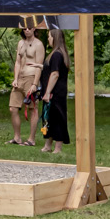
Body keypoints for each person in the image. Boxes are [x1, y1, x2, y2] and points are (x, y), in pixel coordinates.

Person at [9, 21, 45, 146]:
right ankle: (17, 137)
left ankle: (31, 139)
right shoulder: (20, 43)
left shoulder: (39, 44)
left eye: (29, 28)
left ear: (34, 28)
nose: (27, 30)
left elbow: (39, 66)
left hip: (31, 77)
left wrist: (35, 84)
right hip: (20, 78)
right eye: (24, 28)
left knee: (33, 109)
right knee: (13, 108)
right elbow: (18, 62)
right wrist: (15, 78)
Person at [39, 27, 71, 156]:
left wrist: (47, 92)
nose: (48, 38)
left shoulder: (57, 54)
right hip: (53, 91)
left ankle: (57, 147)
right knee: (48, 117)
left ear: (55, 38)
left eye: (49, 36)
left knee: (57, 118)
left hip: (56, 92)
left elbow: (55, 74)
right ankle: (47, 145)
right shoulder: (55, 54)